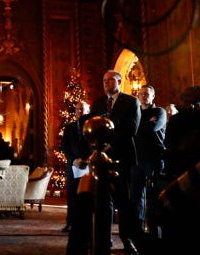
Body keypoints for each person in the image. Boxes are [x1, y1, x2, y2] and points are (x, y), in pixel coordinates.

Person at [88, 70, 142, 255]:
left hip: (122, 158)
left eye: (109, 80)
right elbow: (91, 127)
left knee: (124, 201)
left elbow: (131, 129)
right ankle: (104, 240)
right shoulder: (98, 103)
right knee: (103, 201)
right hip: (101, 161)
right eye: (103, 80)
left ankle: (128, 240)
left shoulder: (131, 102)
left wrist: (109, 146)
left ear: (118, 81)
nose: (105, 83)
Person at [132, 85, 166, 233]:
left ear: (153, 96)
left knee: (153, 197)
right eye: (141, 94)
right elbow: (131, 130)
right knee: (136, 197)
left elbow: (151, 128)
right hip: (137, 159)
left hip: (154, 158)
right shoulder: (136, 112)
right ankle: (138, 230)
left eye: (147, 94)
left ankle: (154, 231)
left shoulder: (159, 112)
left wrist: (138, 126)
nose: (144, 96)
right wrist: (144, 124)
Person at [60, 100, 91, 232]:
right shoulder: (69, 127)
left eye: (83, 109)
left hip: (87, 165)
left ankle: (86, 224)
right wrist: (73, 160)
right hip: (73, 165)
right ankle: (70, 222)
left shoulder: (92, 127)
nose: (80, 111)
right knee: (72, 195)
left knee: (86, 195)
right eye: (78, 109)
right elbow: (64, 147)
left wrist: (86, 160)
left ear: (87, 111)